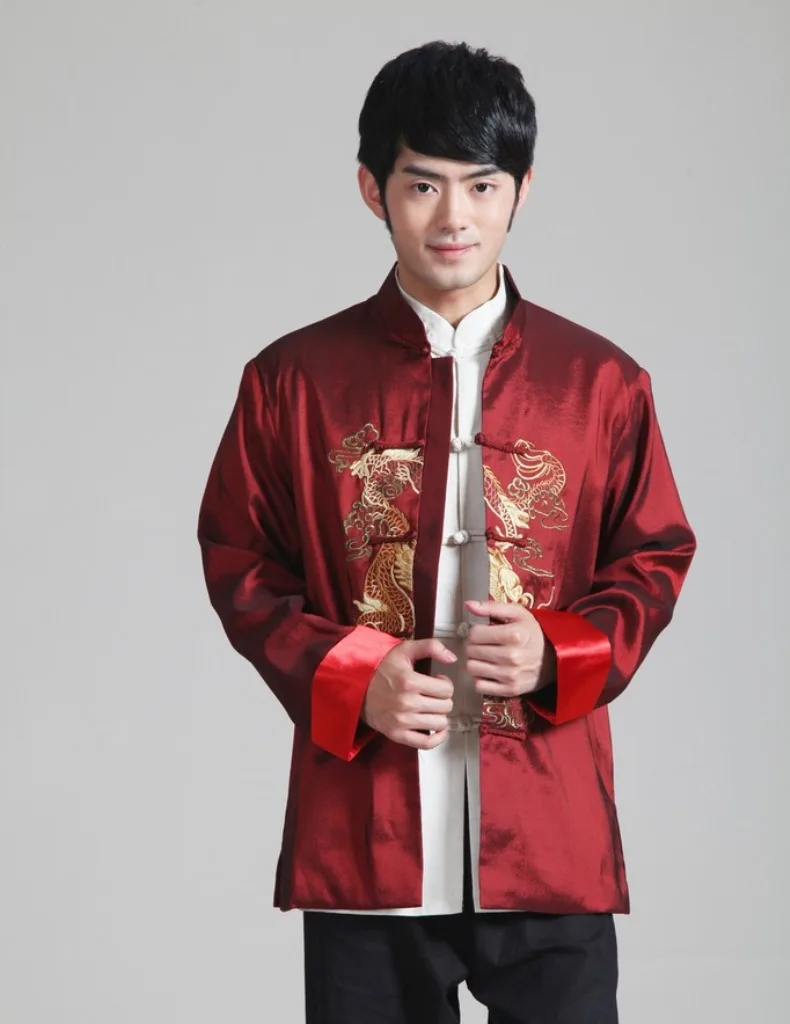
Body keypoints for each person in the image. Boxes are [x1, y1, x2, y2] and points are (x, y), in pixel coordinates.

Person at [197, 40, 696, 1024]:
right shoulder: (292, 380)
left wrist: (562, 650)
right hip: (366, 836)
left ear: (522, 191)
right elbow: (240, 560)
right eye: (423, 184)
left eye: (482, 184)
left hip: (549, 834)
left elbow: (653, 556)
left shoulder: (601, 382)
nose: (454, 216)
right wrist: (351, 673)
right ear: (372, 190)